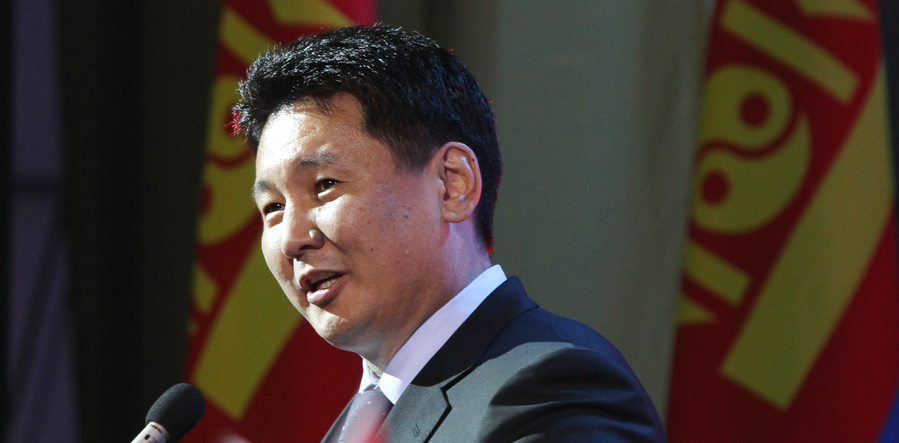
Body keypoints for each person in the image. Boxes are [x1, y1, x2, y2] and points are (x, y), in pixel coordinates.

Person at [233, 25, 666, 443]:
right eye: (273, 207)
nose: (290, 239)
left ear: (451, 184)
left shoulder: (555, 388)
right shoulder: (357, 423)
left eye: (324, 185)